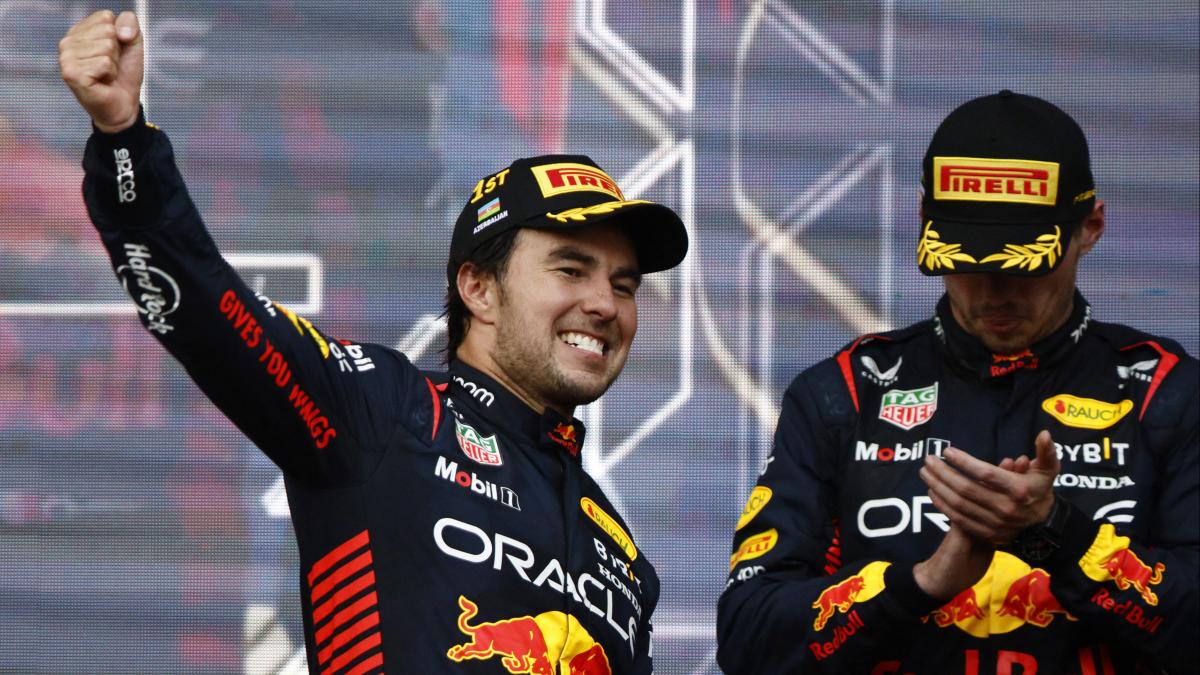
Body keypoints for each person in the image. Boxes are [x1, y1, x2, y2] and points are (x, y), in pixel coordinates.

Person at [60, 9, 688, 673]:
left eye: (624, 284)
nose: (604, 303)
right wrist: (122, 137)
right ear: (478, 288)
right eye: (571, 268)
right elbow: (207, 309)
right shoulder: (383, 411)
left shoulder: (620, 555)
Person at [717, 89, 1198, 673]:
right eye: (967, 259)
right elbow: (748, 641)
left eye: (1024, 263)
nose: (995, 290)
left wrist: (1058, 535)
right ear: (925, 220)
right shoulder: (845, 393)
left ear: (1091, 226)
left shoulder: (1166, 393)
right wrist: (920, 584)